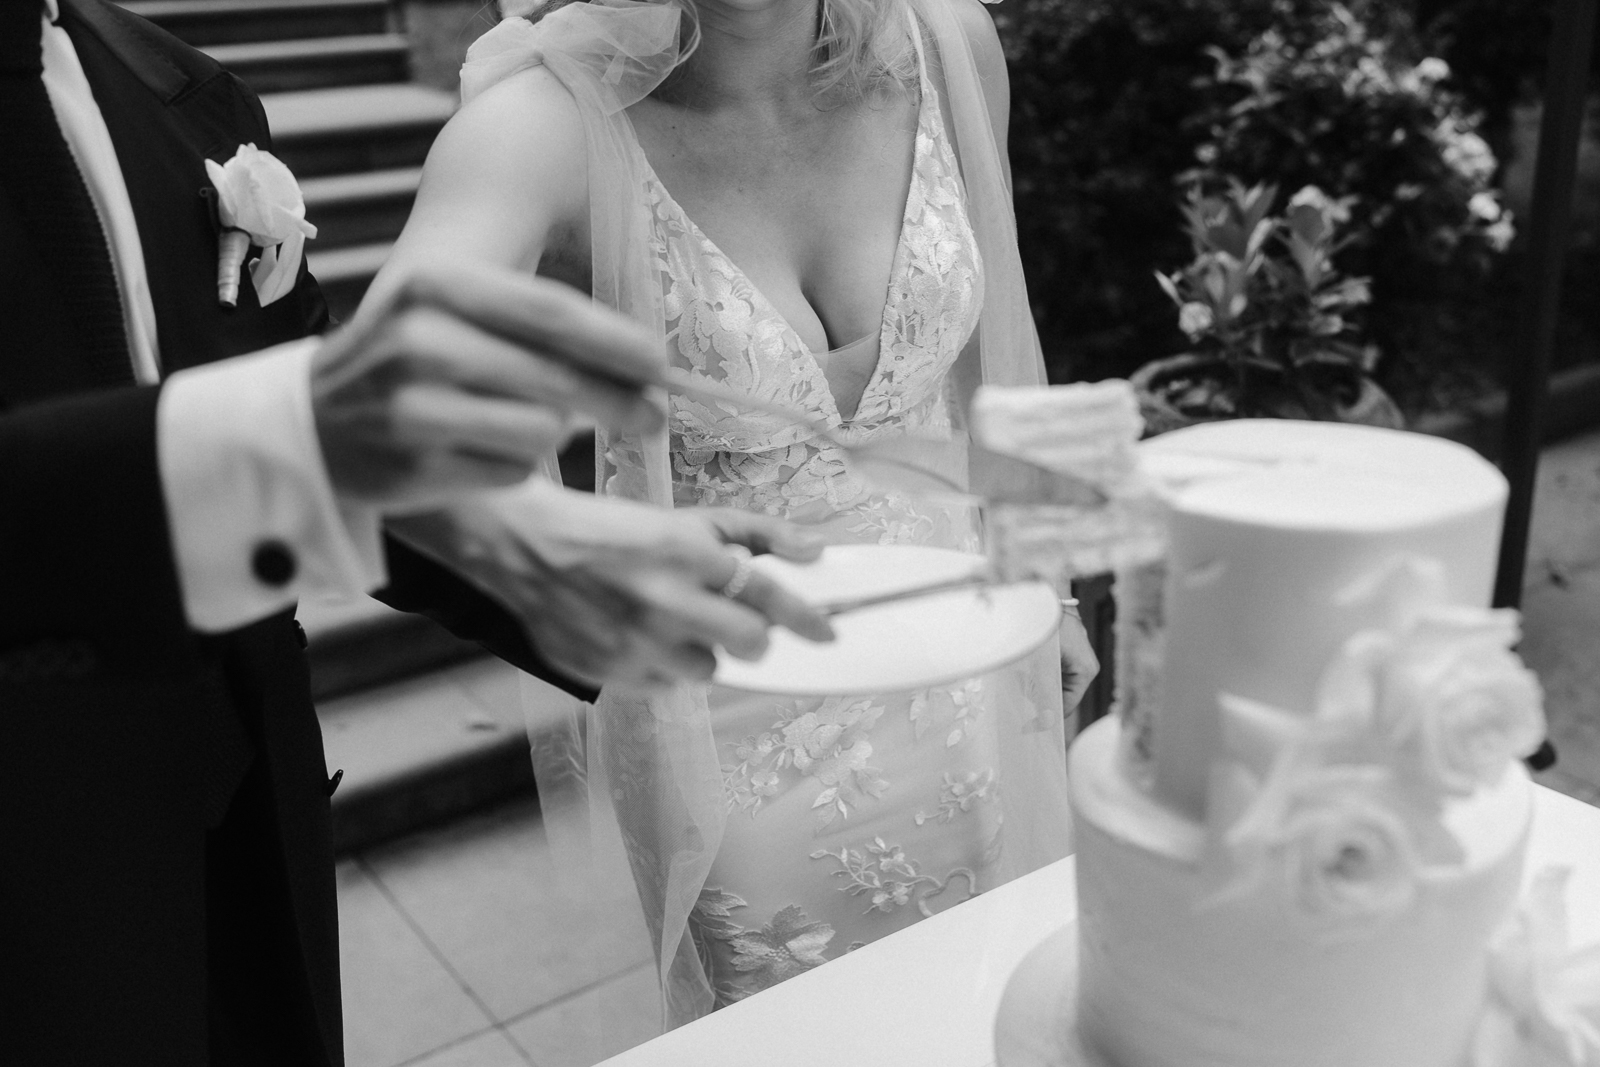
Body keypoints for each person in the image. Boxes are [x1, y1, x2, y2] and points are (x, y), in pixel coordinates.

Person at [0, 0, 832, 1062]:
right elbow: (278, 438)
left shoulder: (180, 92)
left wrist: (547, 542)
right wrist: (279, 442)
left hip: (254, 853)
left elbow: (330, 440)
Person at [376, 0, 1096, 1031]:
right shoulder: (540, 128)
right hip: (734, 723)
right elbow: (378, 420)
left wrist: (1050, 579)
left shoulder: (949, 45)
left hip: (976, 668)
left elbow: (996, 354)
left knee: (995, 1003)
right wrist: (586, 560)